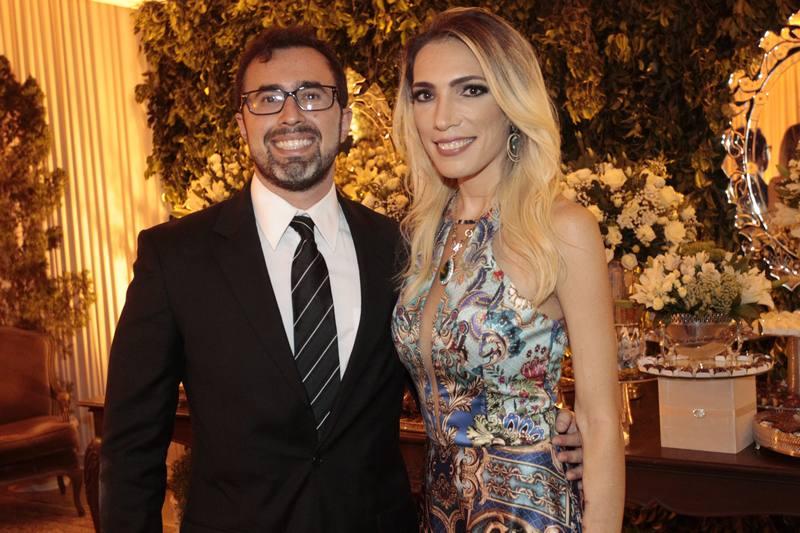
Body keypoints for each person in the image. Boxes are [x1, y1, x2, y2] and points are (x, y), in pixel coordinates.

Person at [100, 26, 584, 533]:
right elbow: (130, 448)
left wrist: (539, 422)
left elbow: (448, 372)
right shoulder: (174, 258)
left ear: (345, 120)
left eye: (311, 95)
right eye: (268, 98)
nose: (291, 115)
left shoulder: (404, 249)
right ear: (242, 123)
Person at [391, 8, 624, 532]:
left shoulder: (561, 227)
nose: (442, 118)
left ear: (511, 102)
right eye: (425, 94)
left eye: (471, 90)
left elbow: (601, 421)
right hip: (440, 512)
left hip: (529, 514)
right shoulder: (425, 235)